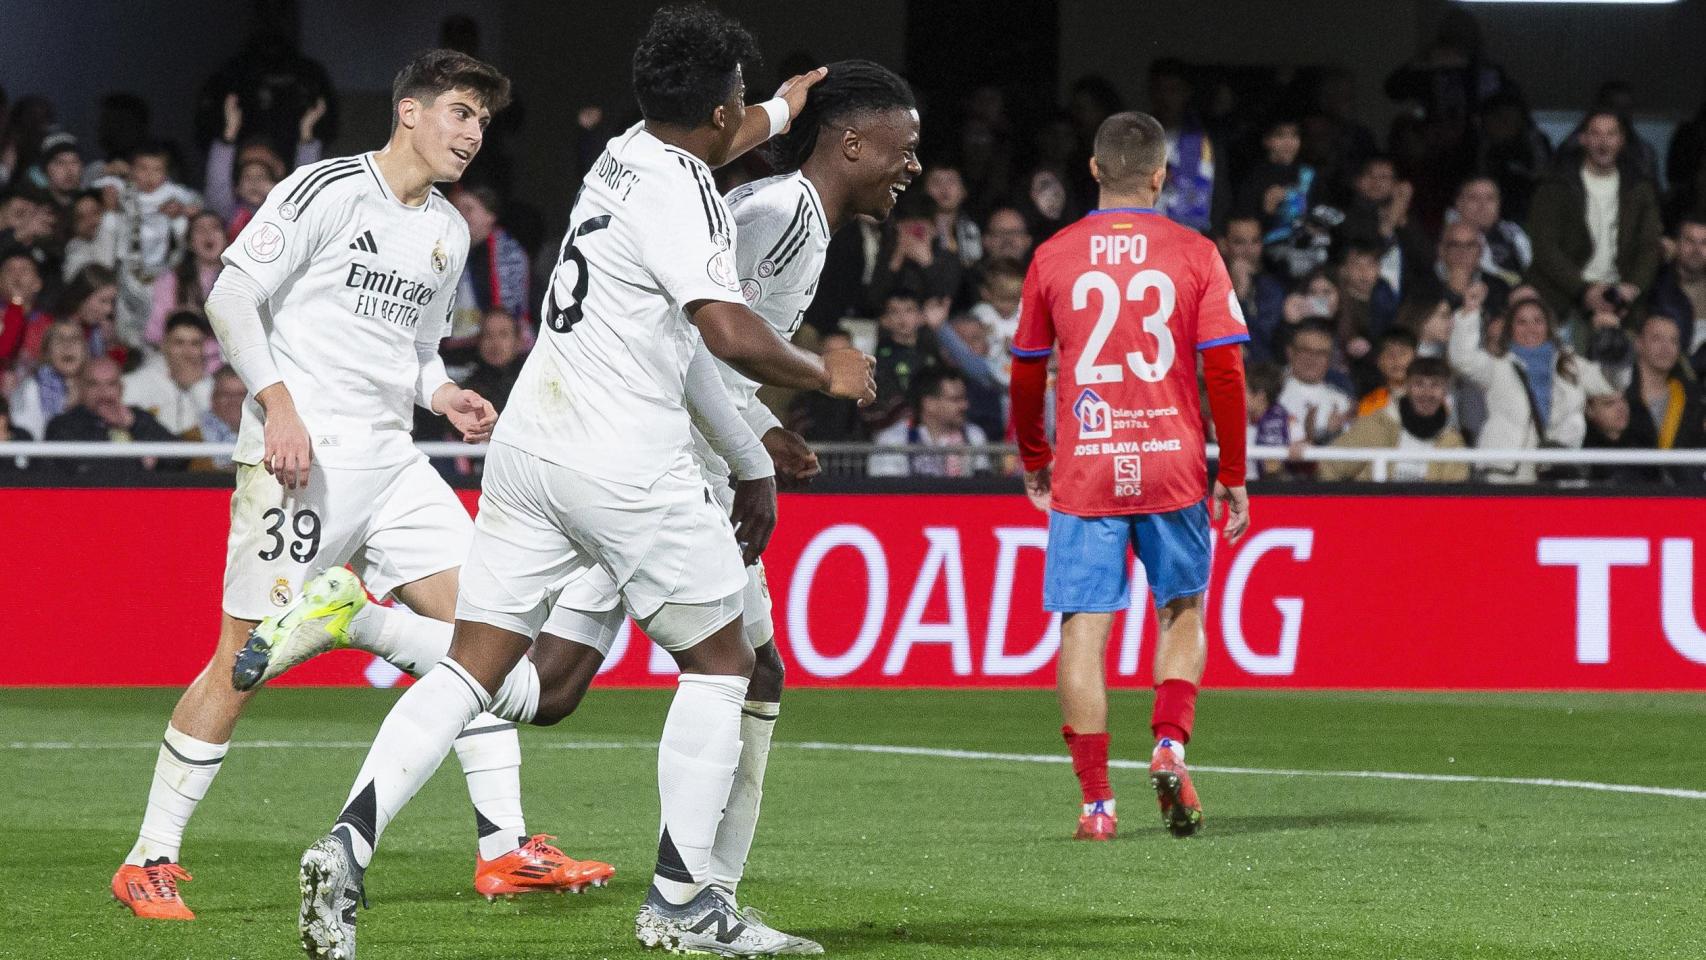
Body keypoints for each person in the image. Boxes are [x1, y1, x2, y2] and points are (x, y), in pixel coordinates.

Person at [289, 12, 873, 958]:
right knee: (726, 666)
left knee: (480, 666)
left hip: (530, 447)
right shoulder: (691, 196)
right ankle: (686, 908)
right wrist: (823, 373)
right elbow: (723, 336)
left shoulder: (625, 149)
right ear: (716, 112)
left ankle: (349, 838)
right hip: (625, 459)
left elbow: (731, 129)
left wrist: (781, 103)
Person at [109, 49, 610, 926]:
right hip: (299, 456)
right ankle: (149, 857)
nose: (472, 133)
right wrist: (279, 408)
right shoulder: (326, 190)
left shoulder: (449, 230)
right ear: (409, 111)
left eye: (482, 122)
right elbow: (232, 296)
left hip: (394, 462)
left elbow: (414, 353)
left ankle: (505, 850)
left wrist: (443, 392)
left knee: (484, 638)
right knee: (240, 662)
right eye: (459, 113)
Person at [1010, 111, 1250, 843]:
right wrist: (1232, 471)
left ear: (1092, 170)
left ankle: (1096, 805)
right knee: (1181, 609)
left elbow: (1025, 372)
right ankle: (1170, 745)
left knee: (1085, 628)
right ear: (1159, 176)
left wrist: (1033, 457)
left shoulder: (1054, 254)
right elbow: (1225, 368)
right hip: (1172, 463)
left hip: (1086, 465)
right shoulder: (1195, 252)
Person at [1448, 284, 1614, 483]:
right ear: (1510, 328)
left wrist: (1612, 339)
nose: (1531, 329)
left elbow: (1611, 383)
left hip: (1559, 473)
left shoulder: (1571, 364)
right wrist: (1470, 310)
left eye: (1538, 321)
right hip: (1506, 474)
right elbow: (1462, 359)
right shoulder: (1498, 366)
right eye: (1521, 322)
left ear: (1548, 325)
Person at [1526, 109, 1662, 335]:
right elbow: (1545, 247)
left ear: (1621, 141)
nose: (1603, 142)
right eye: (1596, 134)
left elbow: (1649, 245)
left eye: (1610, 134)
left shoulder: (1639, 188)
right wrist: (1584, 290)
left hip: (1621, 298)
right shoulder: (1555, 186)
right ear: (1583, 139)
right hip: (1564, 295)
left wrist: (1632, 288)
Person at [1319, 356, 1470, 482]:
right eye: (1419, 384)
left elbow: (1456, 500)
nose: (1427, 393)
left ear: (1445, 391)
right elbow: (1330, 467)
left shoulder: (1452, 442)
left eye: (1435, 385)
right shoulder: (1377, 426)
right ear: (1406, 387)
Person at [45, 355, 181, 476]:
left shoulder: (136, 417)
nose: (103, 393)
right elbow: (87, 469)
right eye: (94, 384)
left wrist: (134, 424)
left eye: (111, 384)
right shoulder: (62, 425)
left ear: (121, 389)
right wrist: (139, 463)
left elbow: (179, 458)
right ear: (82, 389)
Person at [1622, 313, 1706, 485]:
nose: (1666, 347)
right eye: (1656, 339)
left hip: (1681, 496)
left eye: (1673, 341)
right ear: (1639, 344)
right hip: (1629, 493)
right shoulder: (1619, 392)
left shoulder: (1692, 397)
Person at [870, 367, 990, 477]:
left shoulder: (974, 436)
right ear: (929, 404)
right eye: (955, 400)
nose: (965, 405)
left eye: (964, 398)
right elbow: (887, 491)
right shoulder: (893, 440)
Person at [449, 185, 531, 345]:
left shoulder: (509, 253)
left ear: (490, 216)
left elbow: (507, 316)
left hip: (497, 349)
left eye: (468, 209)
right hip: (456, 347)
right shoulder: (449, 249)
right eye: (456, 209)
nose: (460, 215)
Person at [123, 311, 215, 435]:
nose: (187, 352)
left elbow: (217, 428)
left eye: (195, 344)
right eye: (179, 343)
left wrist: (196, 387)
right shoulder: (134, 382)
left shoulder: (214, 386)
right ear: (164, 345)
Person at [1276, 320, 1354, 445]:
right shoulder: (1272, 393)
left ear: (1330, 358)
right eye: (1305, 350)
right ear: (1290, 352)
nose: (1312, 358)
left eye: (1321, 353)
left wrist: (1332, 434)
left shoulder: (1342, 403)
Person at [8, 318, 87, 441]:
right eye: (59, 340)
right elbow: (26, 435)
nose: (67, 346)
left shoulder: (97, 385)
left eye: (75, 339)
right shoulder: (32, 388)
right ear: (47, 352)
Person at [1649, 216, 1706, 376]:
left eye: (1704, 243)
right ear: (1676, 244)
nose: (1697, 249)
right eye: (1690, 241)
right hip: (1670, 379)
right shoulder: (1657, 286)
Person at [1450, 176, 1530, 288]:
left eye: (1490, 198)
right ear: (1459, 203)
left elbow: (1528, 268)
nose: (1483, 206)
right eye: (1474, 198)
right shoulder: (1448, 238)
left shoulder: (1513, 233)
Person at [186, 365, 246, 472]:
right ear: (213, 398)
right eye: (226, 394)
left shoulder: (269, 435)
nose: (234, 401)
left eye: (241, 395)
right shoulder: (192, 438)